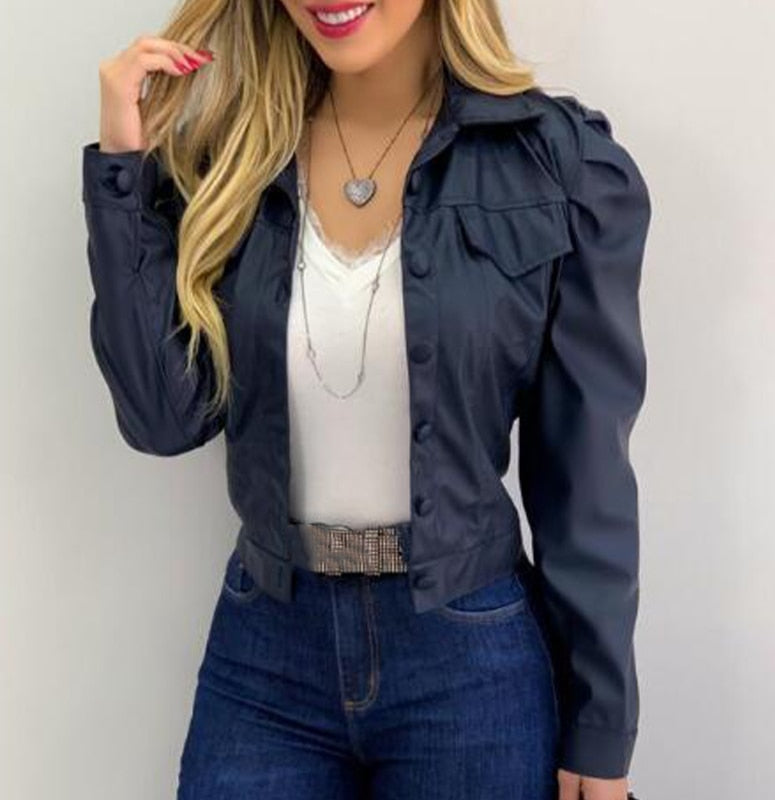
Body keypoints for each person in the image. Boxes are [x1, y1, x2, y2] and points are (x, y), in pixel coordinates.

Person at [81, 1, 650, 798]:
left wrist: (601, 726)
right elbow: (163, 419)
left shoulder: (553, 163)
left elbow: (585, 476)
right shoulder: (234, 162)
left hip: (468, 659)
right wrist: (122, 168)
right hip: (265, 653)